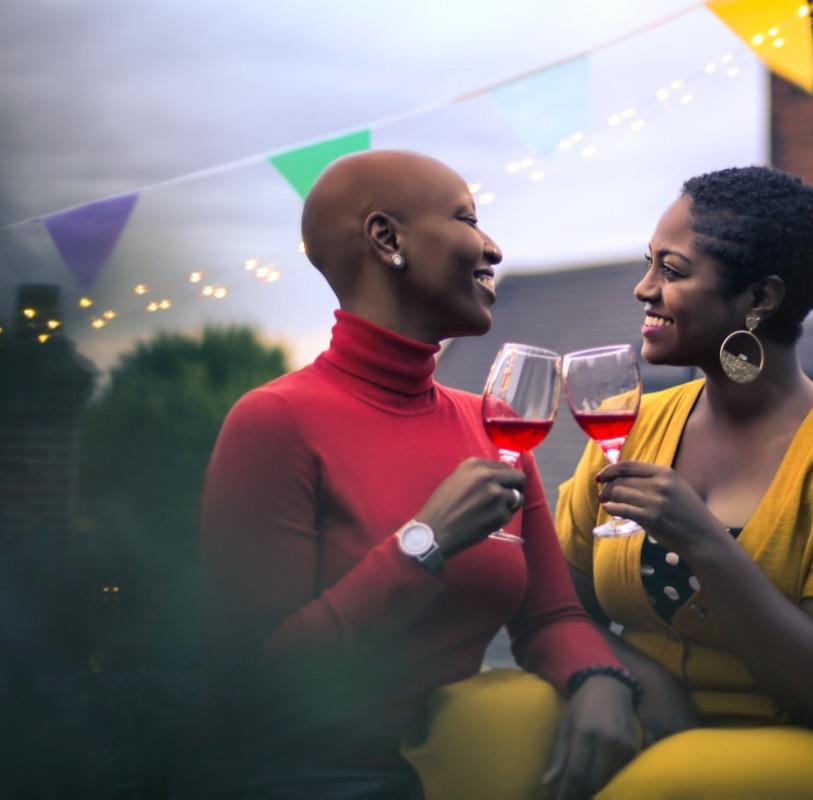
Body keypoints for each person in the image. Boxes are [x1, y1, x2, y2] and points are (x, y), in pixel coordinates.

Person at [190, 150, 638, 799]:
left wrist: (600, 680)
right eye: (467, 220)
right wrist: (423, 543)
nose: (494, 248)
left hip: (457, 769)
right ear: (386, 238)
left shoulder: (494, 424)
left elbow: (549, 617)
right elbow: (249, 684)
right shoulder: (274, 420)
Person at [555, 166, 813, 798]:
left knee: (653, 787)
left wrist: (705, 543)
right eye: (649, 264)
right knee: (485, 720)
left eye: (672, 271)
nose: (644, 288)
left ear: (759, 298)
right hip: (655, 720)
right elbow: (557, 606)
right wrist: (623, 675)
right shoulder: (628, 427)